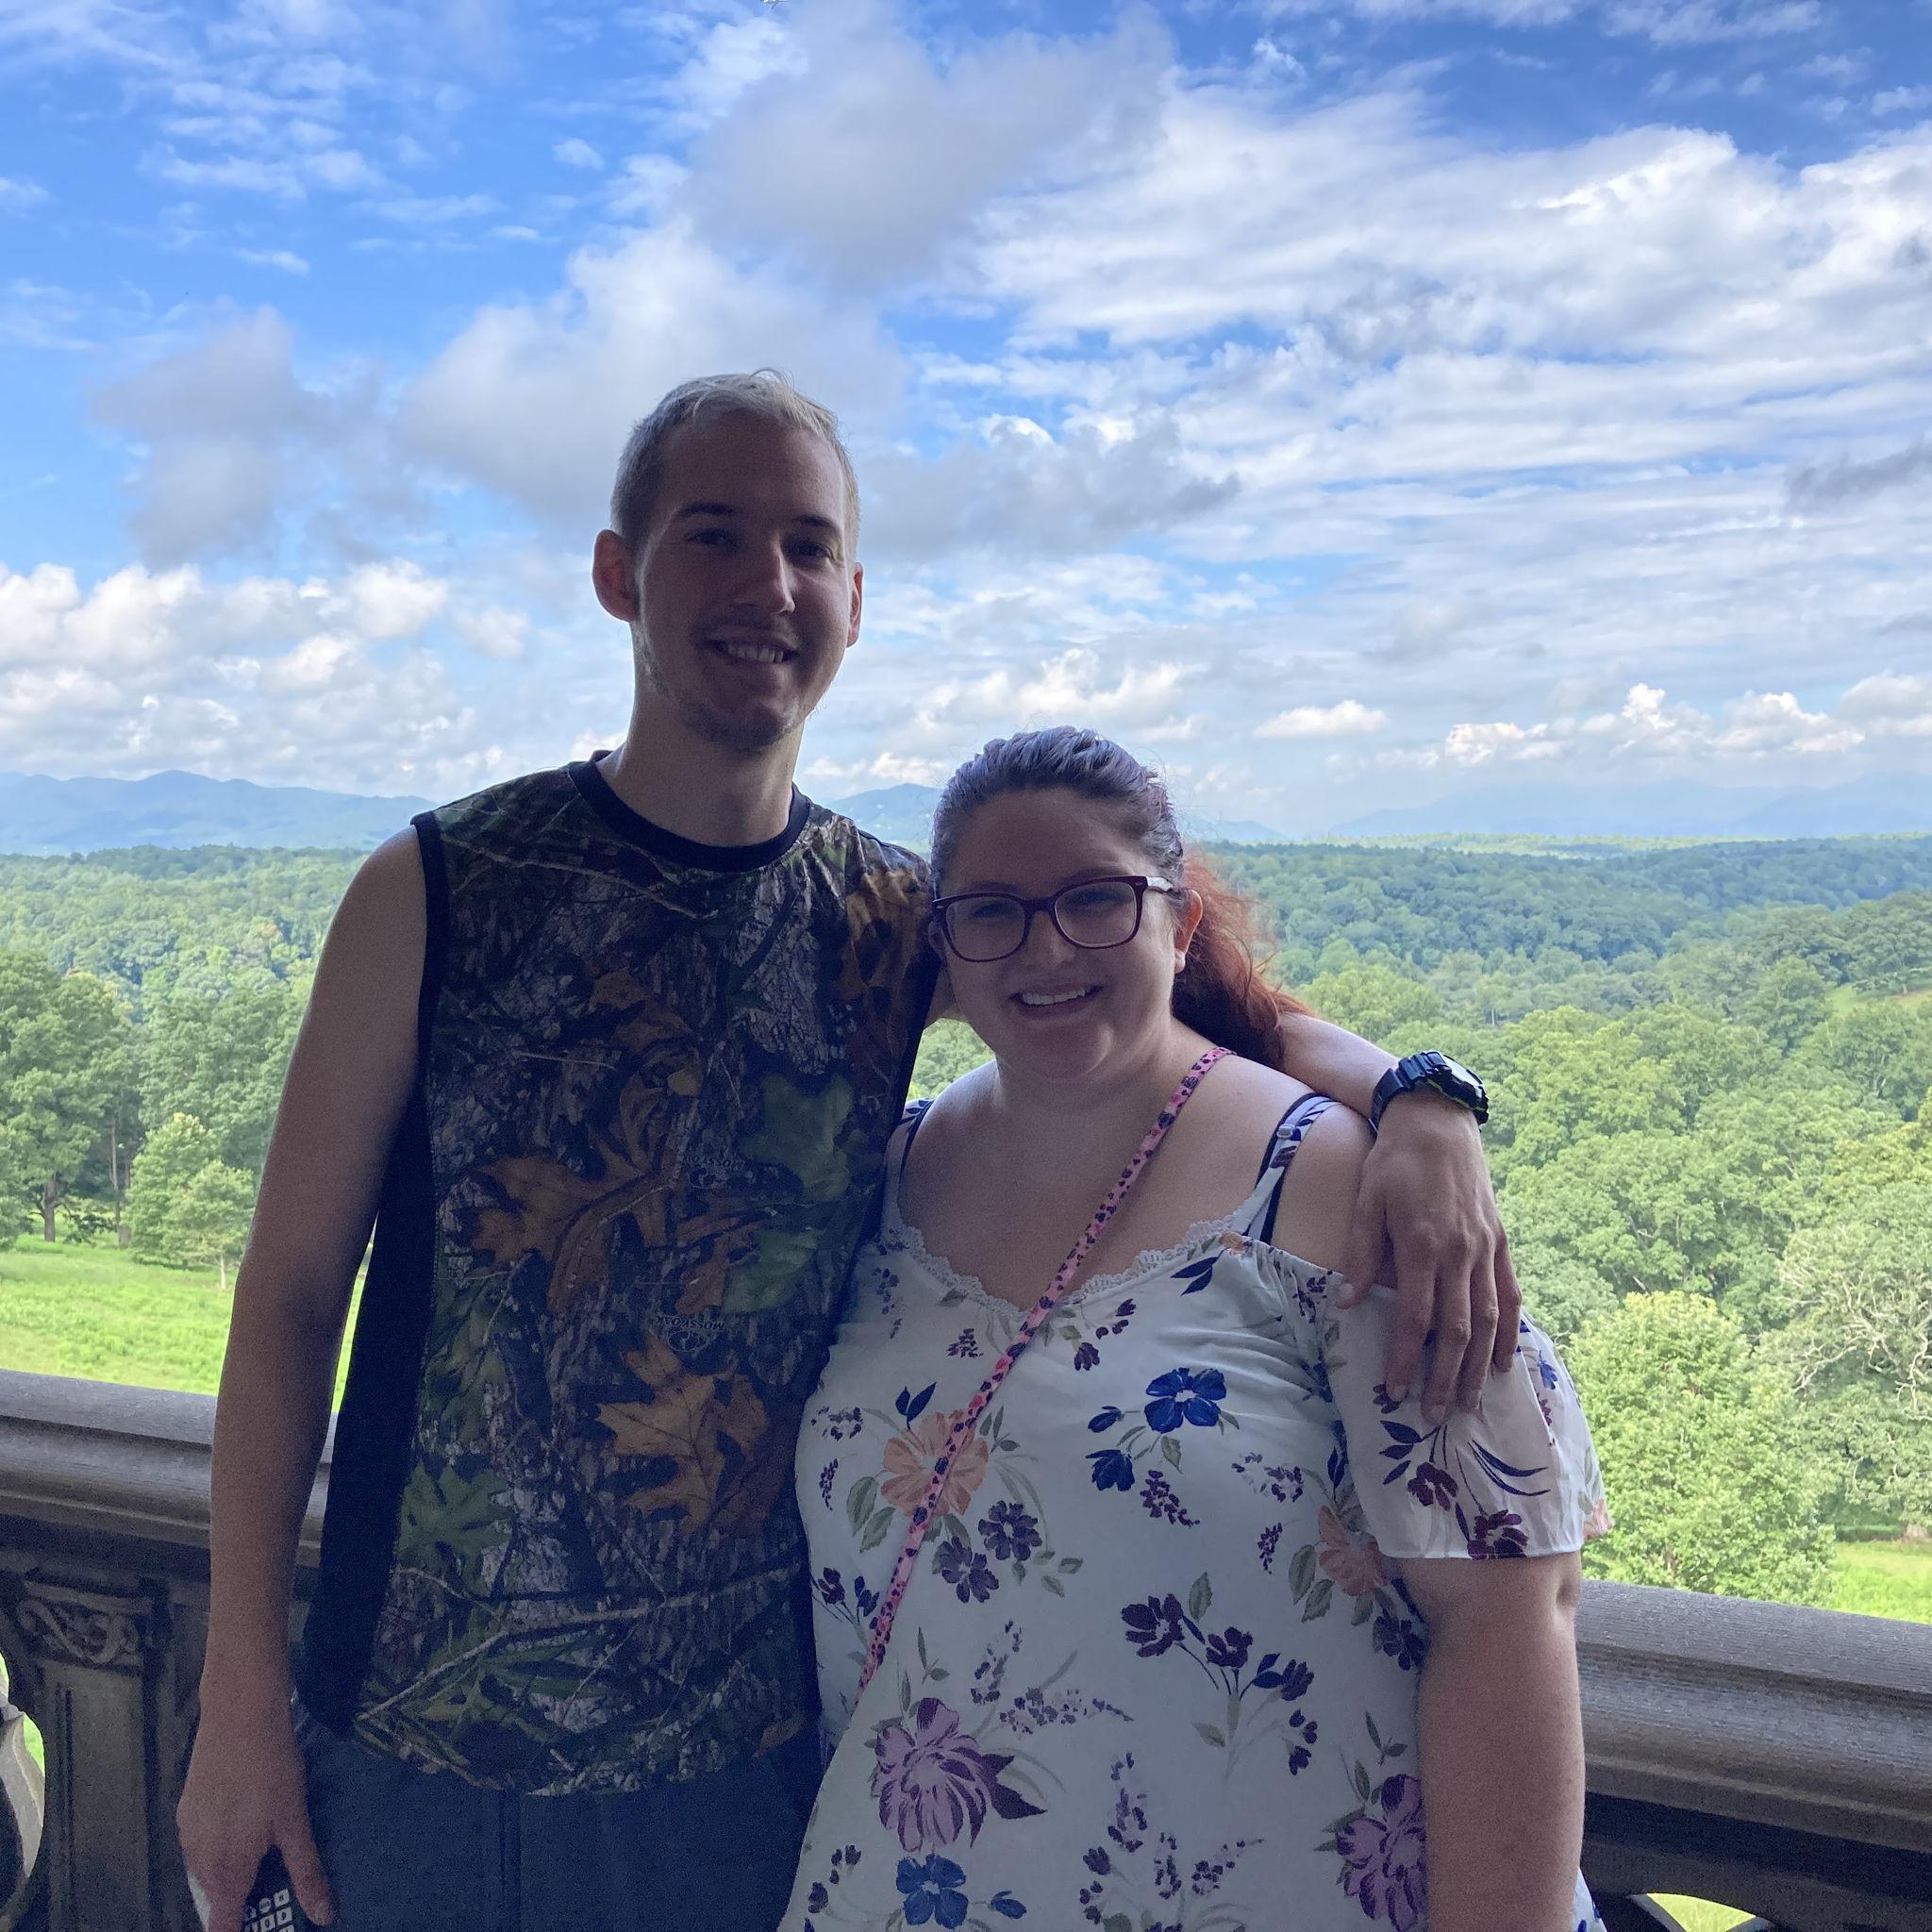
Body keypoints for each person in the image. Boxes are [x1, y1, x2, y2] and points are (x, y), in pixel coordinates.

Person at [176, 375, 1526, 1932]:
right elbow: (289, 1297)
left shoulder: (886, 919)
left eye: (807, 546)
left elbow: (1172, 1006)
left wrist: (1424, 1103)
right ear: (619, 574)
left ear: (855, 601)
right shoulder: (437, 889)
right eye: (714, 534)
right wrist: (238, 1695)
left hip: (738, 1774)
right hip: (412, 1737)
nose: (767, 583)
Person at [778, 726, 1607, 1932]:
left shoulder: (1342, 1195)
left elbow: (1507, 1614)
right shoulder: (878, 1178)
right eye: (993, 911)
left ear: (1178, 921)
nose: (1046, 946)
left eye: (1094, 898)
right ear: (945, 951)